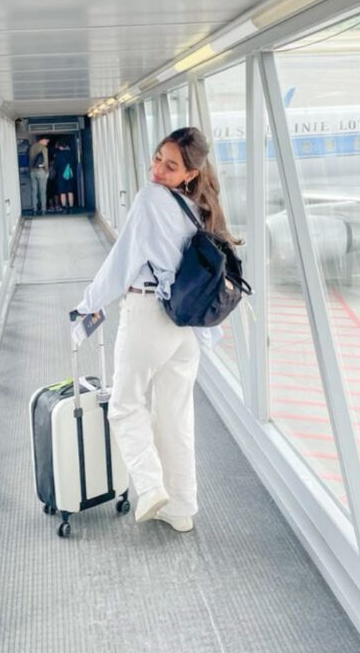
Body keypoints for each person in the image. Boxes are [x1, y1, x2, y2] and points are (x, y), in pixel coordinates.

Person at [73, 127, 240, 533]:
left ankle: (149, 488)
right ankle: (181, 509)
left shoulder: (151, 200)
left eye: (170, 166)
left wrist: (87, 306)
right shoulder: (198, 207)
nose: (157, 170)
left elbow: (121, 260)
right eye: (157, 159)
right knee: (174, 418)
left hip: (149, 315)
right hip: (185, 330)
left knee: (125, 405)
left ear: (189, 174)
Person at [28, 137, 49, 215]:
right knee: (42, 191)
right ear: (42, 140)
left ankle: (34, 209)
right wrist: (46, 171)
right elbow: (46, 160)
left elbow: (29, 158)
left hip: (32, 171)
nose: (47, 143)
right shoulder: (44, 148)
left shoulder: (31, 147)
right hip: (41, 171)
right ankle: (43, 209)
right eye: (46, 141)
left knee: (34, 191)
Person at [55, 138, 76, 214]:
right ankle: (71, 207)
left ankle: (64, 207)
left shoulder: (58, 155)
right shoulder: (71, 154)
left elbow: (55, 166)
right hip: (70, 174)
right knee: (70, 191)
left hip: (61, 175)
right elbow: (74, 164)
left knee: (62, 192)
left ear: (60, 147)